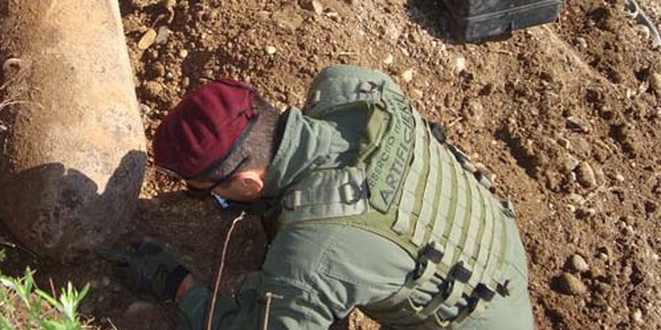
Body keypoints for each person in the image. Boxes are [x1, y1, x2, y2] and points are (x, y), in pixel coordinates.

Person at [117, 65, 534, 330]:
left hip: (478, 316)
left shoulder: (315, 254)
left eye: (208, 193)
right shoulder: (353, 87)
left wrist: (181, 286)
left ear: (246, 184)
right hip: (493, 240)